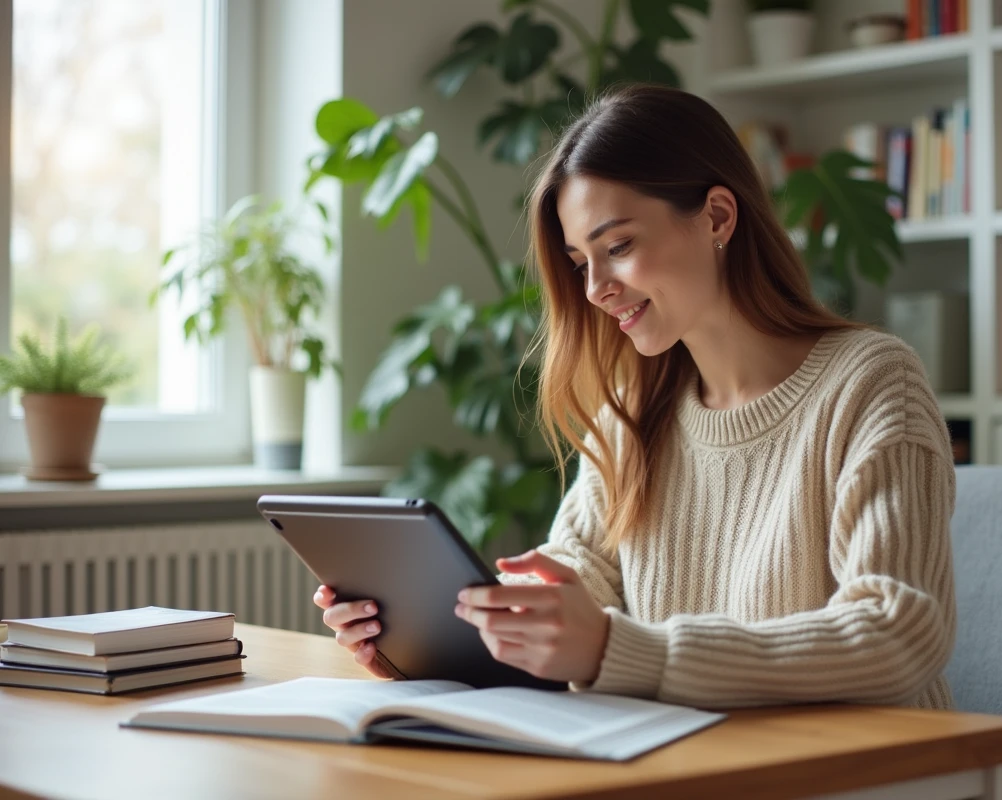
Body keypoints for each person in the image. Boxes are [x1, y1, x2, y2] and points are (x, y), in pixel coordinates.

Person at [315, 84, 956, 710]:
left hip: (873, 775)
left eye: (617, 246)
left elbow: (896, 632)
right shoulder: (638, 401)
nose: (595, 289)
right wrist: (436, 639)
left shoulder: (872, 383)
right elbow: (576, 571)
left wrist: (627, 652)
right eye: (579, 261)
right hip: (695, 765)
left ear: (717, 218)